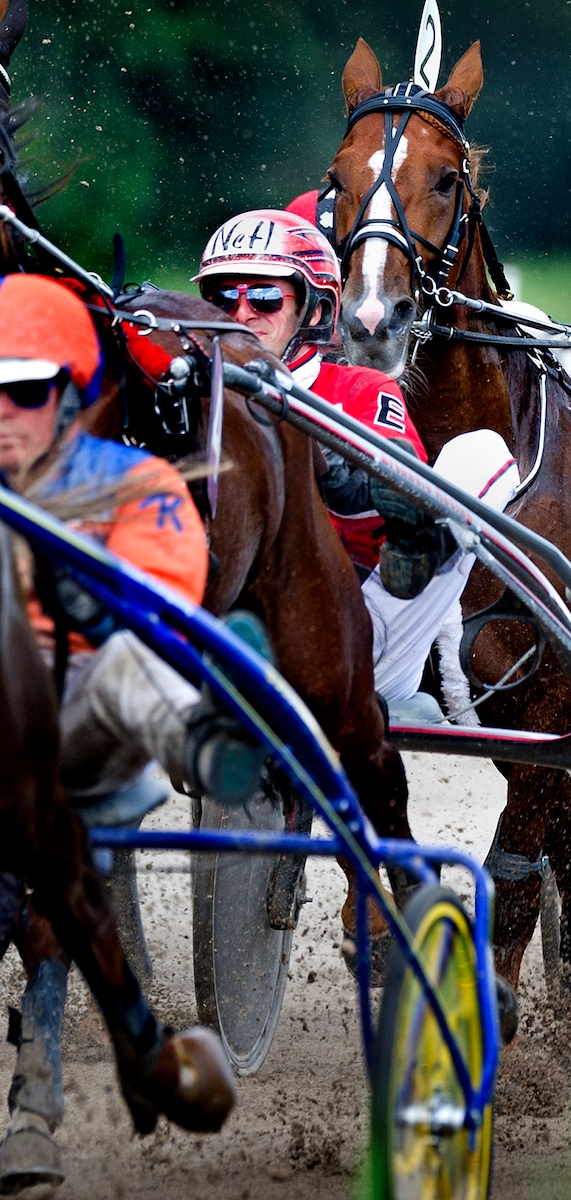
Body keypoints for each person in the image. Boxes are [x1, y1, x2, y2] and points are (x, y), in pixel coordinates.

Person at [0, 274, 246, 1189]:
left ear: (67, 395)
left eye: (22, 390)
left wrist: (84, 596)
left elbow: (163, 603)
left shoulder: (134, 483)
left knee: (124, 666)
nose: (3, 413)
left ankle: (209, 742)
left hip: (94, 728)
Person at [194, 208, 520, 715]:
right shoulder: (196, 400)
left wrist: (341, 477)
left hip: (360, 632)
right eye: (220, 299)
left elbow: (399, 483)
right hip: (234, 635)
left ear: (315, 310)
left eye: (262, 297)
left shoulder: (360, 389)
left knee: (478, 454)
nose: (240, 315)